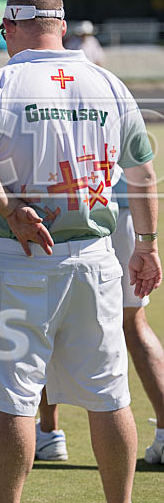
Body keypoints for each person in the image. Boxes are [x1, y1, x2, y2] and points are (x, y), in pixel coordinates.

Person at [0, 0, 161, 503]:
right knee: (109, 393)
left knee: (15, 400)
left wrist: (10, 208)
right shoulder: (108, 82)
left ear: (14, 27)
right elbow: (142, 168)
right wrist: (146, 242)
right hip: (97, 260)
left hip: (22, 260)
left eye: (7, 31)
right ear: (62, 24)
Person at [36, 166, 164, 464]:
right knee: (134, 323)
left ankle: (49, 433)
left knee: (42, 325)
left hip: (62, 210)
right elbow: (140, 164)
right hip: (124, 208)